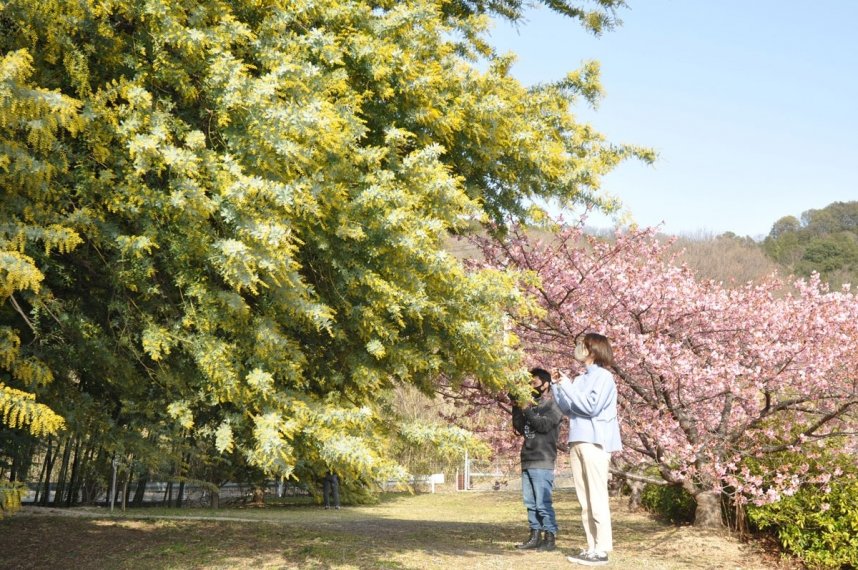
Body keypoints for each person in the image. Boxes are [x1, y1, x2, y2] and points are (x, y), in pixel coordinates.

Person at [551, 333, 622, 567]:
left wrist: (568, 386)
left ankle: (602, 549)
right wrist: (557, 386)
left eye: (582, 345)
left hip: (595, 441)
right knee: (584, 499)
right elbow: (568, 408)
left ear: (593, 350)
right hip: (578, 440)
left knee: (597, 496)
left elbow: (591, 407)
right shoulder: (580, 379)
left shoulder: (604, 377)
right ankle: (592, 546)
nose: (577, 349)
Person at [512, 367, 564, 552]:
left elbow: (542, 425)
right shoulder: (530, 405)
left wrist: (528, 410)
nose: (531, 387)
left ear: (546, 384)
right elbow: (519, 426)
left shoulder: (554, 406)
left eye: (534, 383)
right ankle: (535, 535)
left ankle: (550, 538)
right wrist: (516, 404)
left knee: (543, 503)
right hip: (527, 458)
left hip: (543, 460)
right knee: (530, 503)